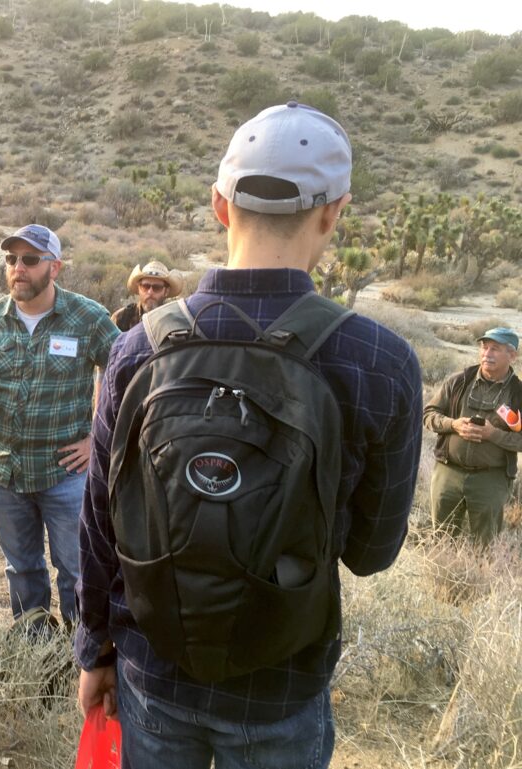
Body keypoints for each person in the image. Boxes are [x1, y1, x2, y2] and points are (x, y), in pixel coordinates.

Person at [75, 103, 423, 768]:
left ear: (218, 205)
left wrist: (95, 649)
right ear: (334, 212)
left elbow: (100, 524)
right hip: (282, 681)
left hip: (155, 668)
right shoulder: (378, 360)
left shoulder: (136, 350)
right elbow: (372, 551)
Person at [0, 224, 119, 624]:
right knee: (22, 570)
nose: (17, 268)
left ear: (54, 267)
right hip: (6, 475)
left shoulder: (88, 318)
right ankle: (35, 649)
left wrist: (98, 440)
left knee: (77, 572)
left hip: (66, 477)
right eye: (10, 260)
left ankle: (81, 658)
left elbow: (128, 379)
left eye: (29, 259)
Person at [423, 327, 522, 545]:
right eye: (484, 347)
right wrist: (453, 424)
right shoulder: (458, 381)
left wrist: (493, 434)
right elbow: (429, 414)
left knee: (485, 545)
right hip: (448, 472)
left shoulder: (518, 393)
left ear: (512, 355)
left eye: (495, 349)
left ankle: (481, 578)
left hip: (491, 479)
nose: (487, 353)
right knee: (441, 539)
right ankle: (439, 578)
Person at [110, 260, 184, 332]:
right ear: (139, 288)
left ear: (166, 291)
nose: (150, 292)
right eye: (145, 286)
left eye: (157, 287)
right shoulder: (121, 318)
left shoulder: (174, 322)